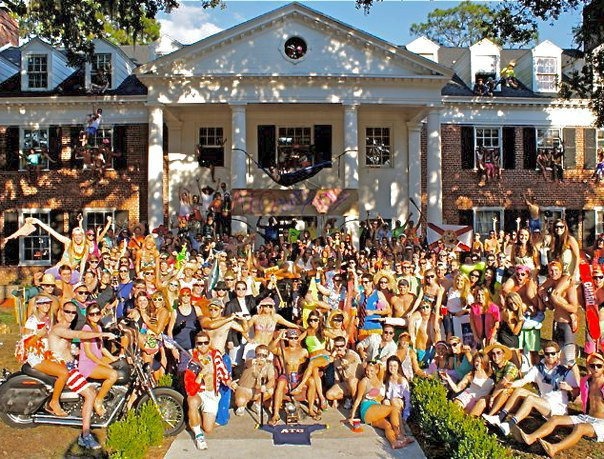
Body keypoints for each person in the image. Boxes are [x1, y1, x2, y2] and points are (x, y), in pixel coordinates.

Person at [48, 304, 116, 449]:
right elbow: (79, 335)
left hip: (71, 365)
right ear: (61, 312)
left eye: (73, 312)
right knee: (90, 394)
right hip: (64, 368)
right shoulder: (59, 328)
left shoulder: (67, 329)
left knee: (92, 390)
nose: (71, 314)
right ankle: (85, 436)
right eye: (67, 311)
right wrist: (103, 334)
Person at [515, 352, 604, 458]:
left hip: (601, 423)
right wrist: (570, 388)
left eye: (599, 366)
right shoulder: (586, 381)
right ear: (588, 366)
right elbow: (577, 393)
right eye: (592, 365)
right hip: (586, 417)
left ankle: (554, 448)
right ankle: (530, 438)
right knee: (555, 419)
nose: (596, 368)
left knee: (580, 428)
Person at [484, 341, 578, 437]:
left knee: (530, 399)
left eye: (553, 353)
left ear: (558, 354)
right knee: (519, 391)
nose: (550, 356)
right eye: (547, 354)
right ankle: (500, 417)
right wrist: (511, 384)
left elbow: (578, 393)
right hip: (544, 402)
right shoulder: (539, 368)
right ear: (544, 354)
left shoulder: (565, 372)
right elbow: (524, 381)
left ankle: (509, 425)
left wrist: (569, 388)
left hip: (557, 409)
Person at [183, 331, 237, 451]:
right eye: (199, 343)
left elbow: (223, 373)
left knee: (208, 429)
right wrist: (200, 375)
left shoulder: (215, 354)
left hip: (212, 394)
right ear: (196, 344)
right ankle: (198, 434)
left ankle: (193, 420)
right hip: (198, 392)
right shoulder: (192, 359)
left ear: (209, 343)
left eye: (205, 342)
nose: (203, 345)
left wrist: (230, 383)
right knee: (192, 401)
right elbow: (190, 388)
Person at [349, 361, 413, 449]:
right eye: (367, 370)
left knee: (387, 425)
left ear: (376, 370)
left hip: (372, 414)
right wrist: (352, 416)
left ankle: (394, 442)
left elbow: (382, 370)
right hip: (367, 408)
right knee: (393, 409)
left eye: (371, 371)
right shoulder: (364, 381)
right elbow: (358, 399)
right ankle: (400, 435)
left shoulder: (379, 380)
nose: (368, 373)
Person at [78, 303, 119, 417]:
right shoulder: (86, 329)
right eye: (92, 314)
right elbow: (89, 354)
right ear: (88, 316)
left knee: (121, 364)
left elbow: (102, 348)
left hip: (97, 360)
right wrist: (105, 364)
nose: (95, 316)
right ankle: (98, 400)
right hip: (88, 364)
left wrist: (113, 358)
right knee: (113, 375)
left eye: (97, 313)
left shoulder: (99, 327)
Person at [443, 351, 494, 416]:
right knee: (454, 411)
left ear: (485, 363)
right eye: (477, 361)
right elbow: (457, 389)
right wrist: (448, 378)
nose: (478, 364)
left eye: (481, 362)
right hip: (466, 396)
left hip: (477, 403)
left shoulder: (491, 378)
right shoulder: (471, 374)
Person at [233, 344, 276, 416]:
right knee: (240, 402)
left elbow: (272, 379)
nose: (261, 357)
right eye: (259, 355)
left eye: (264, 355)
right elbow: (248, 363)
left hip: (257, 390)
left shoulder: (269, 365)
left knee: (270, 390)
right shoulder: (250, 361)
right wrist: (255, 361)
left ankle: (257, 404)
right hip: (244, 390)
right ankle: (242, 406)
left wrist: (265, 387)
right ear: (255, 354)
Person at [325, 335, 363, 409]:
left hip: (357, 383)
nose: (339, 348)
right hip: (346, 384)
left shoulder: (351, 353)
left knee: (351, 380)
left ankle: (356, 405)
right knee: (329, 394)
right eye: (337, 346)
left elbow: (348, 359)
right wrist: (335, 400)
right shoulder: (336, 360)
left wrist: (336, 355)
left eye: (341, 346)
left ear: (345, 346)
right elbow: (337, 379)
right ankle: (349, 398)